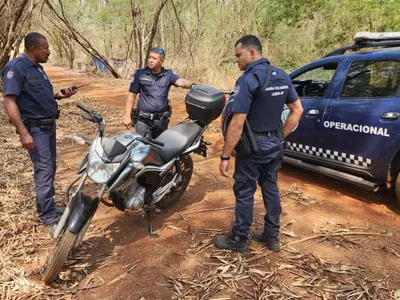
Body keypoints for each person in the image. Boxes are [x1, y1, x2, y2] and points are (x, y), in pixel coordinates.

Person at [214, 35, 303, 253]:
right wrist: (281, 136)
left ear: (252, 53)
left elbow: (237, 122)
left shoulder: (248, 79)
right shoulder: (282, 75)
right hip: (274, 145)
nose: (237, 60)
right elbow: (297, 110)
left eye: (238, 55)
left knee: (244, 190)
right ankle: (271, 237)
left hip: (253, 148)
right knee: (270, 187)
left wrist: (225, 155)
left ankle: (239, 238)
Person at [2, 32, 76, 234]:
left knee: (49, 168)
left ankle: (46, 207)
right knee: (44, 171)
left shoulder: (38, 69)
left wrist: (58, 96)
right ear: (34, 49)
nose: (48, 51)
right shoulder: (16, 68)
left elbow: (36, 98)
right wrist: (23, 132)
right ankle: (49, 218)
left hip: (48, 127)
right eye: (45, 48)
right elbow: (9, 100)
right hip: (35, 130)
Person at [123, 47, 194, 138]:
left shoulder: (168, 74)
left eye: (154, 58)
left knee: (160, 149)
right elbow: (131, 96)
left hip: (161, 122)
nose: (150, 60)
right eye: (149, 57)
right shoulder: (140, 74)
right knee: (143, 149)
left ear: (162, 60)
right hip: (143, 121)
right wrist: (127, 116)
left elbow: (180, 82)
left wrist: (192, 85)